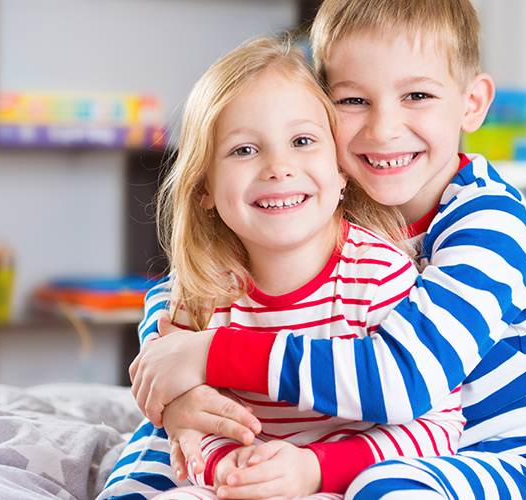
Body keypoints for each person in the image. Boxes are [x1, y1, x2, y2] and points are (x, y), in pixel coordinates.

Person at [131, 0, 526, 498]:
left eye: (417, 94)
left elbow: (404, 376)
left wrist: (209, 355)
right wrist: (174, 379)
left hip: (509, 457)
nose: (383, 129)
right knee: (152, 457)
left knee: (385, 488)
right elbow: (193, 283)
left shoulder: (490, 223)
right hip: (387, 441)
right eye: (353, 101)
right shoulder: (335, 193)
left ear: (472, 103)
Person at [98, 35, 465, 500]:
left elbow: (438, 426)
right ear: (203, 190)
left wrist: (316, 469)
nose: (278, 167)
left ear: (341, 171)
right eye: (244, 150)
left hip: (347, 473)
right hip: (234, 474)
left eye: (302, 141)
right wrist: (223, 466)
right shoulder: (206, 291)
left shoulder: (379, 277)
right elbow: (185, 413)